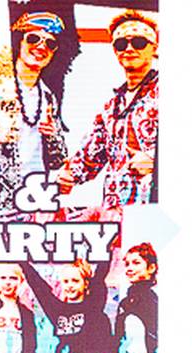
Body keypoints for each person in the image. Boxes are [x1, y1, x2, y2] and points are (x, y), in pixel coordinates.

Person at [57, 10, 158, 208]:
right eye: (121, 44)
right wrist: (67, 176)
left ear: (153, 47)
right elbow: (89, 157)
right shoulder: (111, 107)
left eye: (139, 42)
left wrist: (156, 162)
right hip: (115, 212)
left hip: (156, 209)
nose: (129, 49)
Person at [0, 11, 71, 217]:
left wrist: (53, 135)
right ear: (18, 43)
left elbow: (58, 159)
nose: (41, 47)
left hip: (34, 198)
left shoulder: (48, 96)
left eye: (50, 43)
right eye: (33, 38)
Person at [21, 260, 116, 353]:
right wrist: (22, 263)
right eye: (66, 281)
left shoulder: (93, 305)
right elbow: (39, 286)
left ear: (85, 284)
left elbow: (100, 275)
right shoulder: (57, 310)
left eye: (75, 281)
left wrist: (109, 251)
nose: (70, 285)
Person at [115, 242, 158, 353]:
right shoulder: (125, 303)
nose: (130, 268)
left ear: (151, 268)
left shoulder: (152, 300)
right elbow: (118, 336)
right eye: (127, 264)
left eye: (136, 263)